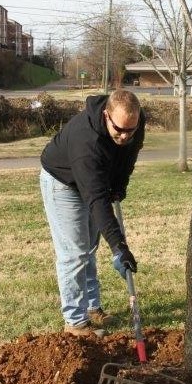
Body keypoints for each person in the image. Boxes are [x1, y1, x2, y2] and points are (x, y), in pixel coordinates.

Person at [40, 89, 145, 337]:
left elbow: (128, 156)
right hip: (62, 182)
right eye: (119, 129)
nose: (124, 135)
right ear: (107, 116)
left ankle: (92, 307)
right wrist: (120, 247)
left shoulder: (133, 124)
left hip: (94, 179)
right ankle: (75, 322)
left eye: (130, 130)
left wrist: (119, 186)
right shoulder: (86, 141)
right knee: (74, 253)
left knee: (89, 249)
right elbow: (97, 201)